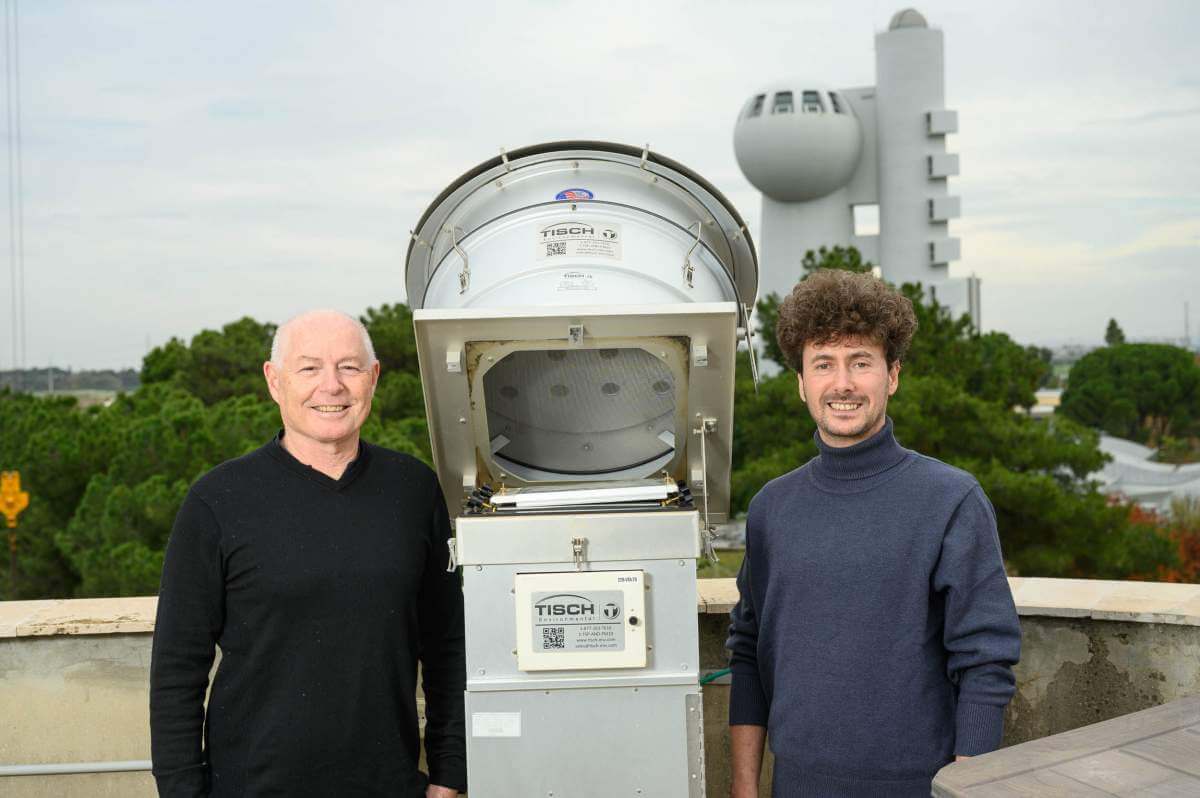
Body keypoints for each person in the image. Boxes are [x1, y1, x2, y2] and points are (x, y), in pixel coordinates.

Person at [726, 270, 1021, 797]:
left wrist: (967, 787)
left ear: (892, 376)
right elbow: (748, 651)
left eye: (861, 362)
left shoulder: (950, 499)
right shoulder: (772, 508)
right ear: (801, 383)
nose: (842, 383)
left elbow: (985, 660)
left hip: (917, 786)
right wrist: (745, 788)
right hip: (796, 785)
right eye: (824, 364)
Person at [150, 310, 465, 797]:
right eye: (309, 368)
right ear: (274, 381)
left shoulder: (413, 491)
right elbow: (176, 669)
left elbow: (449, 647)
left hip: (388, 786)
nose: (331, 386)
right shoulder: (218, 501)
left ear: (374, 378)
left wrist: (450, 773)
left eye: (349, 367)